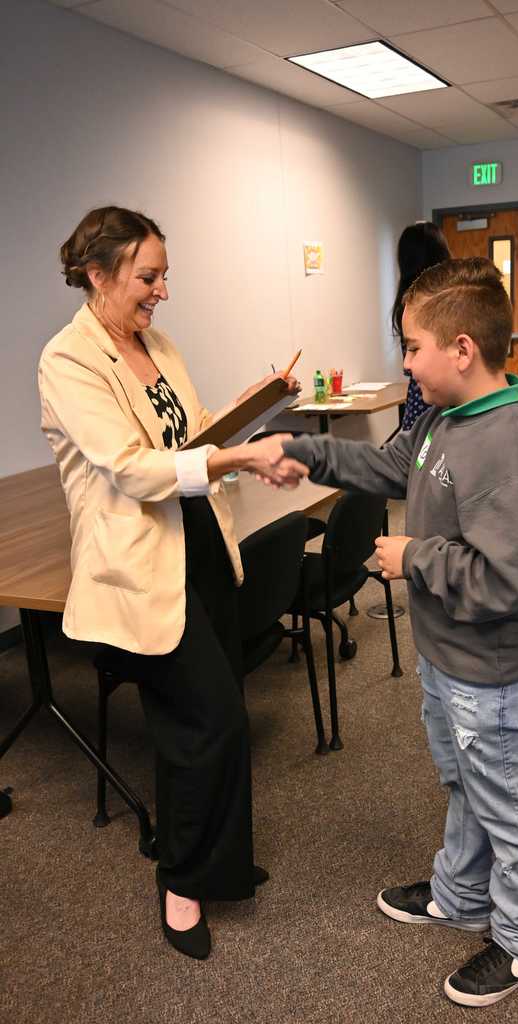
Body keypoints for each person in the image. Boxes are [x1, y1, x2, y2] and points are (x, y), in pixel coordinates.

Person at [264, 257, 518, 1006]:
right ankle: (459, 894)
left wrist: (415, 557)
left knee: (509, 804)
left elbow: (512, 580)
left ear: (461, 350)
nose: (403, 361)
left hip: (492, 667)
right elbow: (383, 465)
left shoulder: (511, 450)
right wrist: (301, 450)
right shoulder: (443, 417)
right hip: (451, 657)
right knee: (465, 785)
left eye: (411, 346)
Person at [38, 206, 307, 960]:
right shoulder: (69, 359)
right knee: (206, 723)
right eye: (148, 276)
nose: (162, 292)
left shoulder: (156, 343)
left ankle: (219, 865)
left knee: (219, 719)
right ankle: (180, 880)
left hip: (198, 545)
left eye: (164, 275)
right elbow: (130, 467)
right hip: (138, 565)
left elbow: (189, 440)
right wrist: (234, 461)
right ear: (98, 274)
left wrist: (254, 408)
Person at [391, 221, 450, 430]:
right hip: (437, 400)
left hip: (425, 401)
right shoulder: (448, 300)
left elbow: (412, 370)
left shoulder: (409, 305)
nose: (407, 362)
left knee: (421, 456)